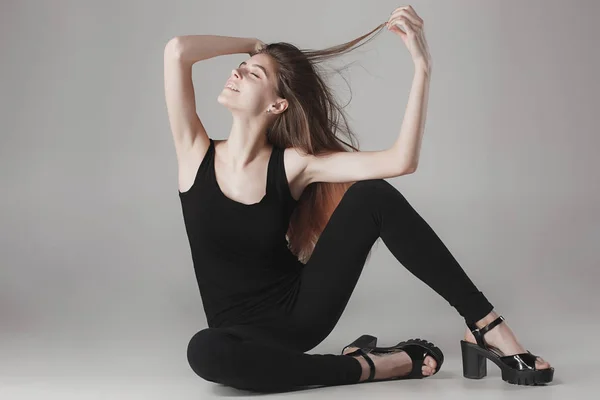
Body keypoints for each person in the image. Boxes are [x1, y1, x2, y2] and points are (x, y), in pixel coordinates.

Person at [163, 5, 553, 393]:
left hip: (299, 314)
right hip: (233, 333)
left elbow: (401, 161)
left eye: (253, 73)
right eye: (243, 68)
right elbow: (178, 50)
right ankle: (373, 365)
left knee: (372, 194)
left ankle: (485, 326)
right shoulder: (195, 153)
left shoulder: (294, 165)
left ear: (276, 105)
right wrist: (252, 46)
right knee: (205, 351)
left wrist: (422, 68)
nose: (237, 71)